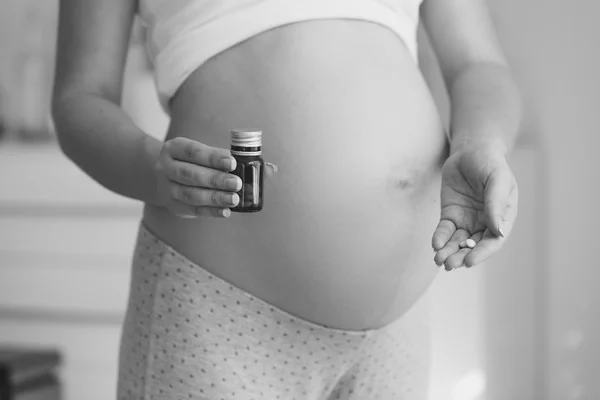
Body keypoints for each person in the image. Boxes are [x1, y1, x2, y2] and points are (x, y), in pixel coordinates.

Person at [51, 0, 521, 398]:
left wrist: (482, 143)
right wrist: (151, 171)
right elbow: (80, 98)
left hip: (398, 329)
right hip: (220, 318)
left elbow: (478, 63)